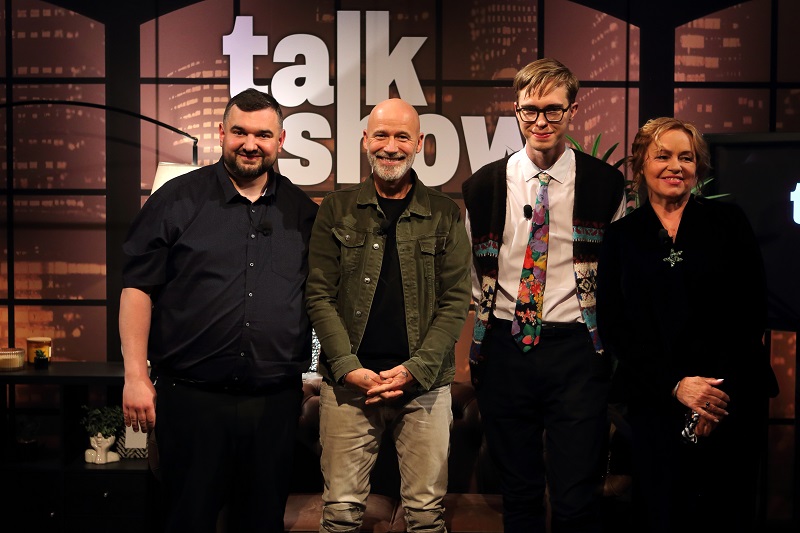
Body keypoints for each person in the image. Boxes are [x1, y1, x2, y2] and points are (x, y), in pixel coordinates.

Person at [119, 88, 318, 533]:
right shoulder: (176, 199)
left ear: (281, 140)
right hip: (190, 402)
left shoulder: (303, 213)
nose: (250, 144)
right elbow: (137, 288)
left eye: (263, 135)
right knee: (186, 521)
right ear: (221, 133)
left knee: (261, 523)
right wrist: (135, 376)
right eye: (240, 132)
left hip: (273, 406)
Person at [462, 58, 626, 533]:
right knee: (519, 497)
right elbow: (475, 272)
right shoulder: (483, 185)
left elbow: (615, 270)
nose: (540, 121)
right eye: (530, 110)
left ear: (572, 110)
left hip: (577, 351)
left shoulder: (604, 183)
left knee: (576, 501)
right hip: (506, 349)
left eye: (553, 110)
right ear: (516, 111)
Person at [596, 117, 778, 532]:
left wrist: (712, 395)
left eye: (687, 157)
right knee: (662, 515)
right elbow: (615, 324)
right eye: (663, 156)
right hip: (655, 401)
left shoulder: (729, 221)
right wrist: (677, 385)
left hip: (731, 399)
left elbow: (751, 311)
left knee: (726, 516)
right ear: (641, 164)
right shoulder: (622, 236)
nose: (675, 166)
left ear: (699, 167)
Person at [306, 98, 472, 533]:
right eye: (381, 135)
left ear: (419, 143)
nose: (391, 146)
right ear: (365, 140)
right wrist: (348, 368)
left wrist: (415, 369)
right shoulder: (335, 209)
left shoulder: (445, 213)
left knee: (426, 516)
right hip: (348, 387)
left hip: (424, 387)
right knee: (339, 514)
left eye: (402, 136)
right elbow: (319, 295)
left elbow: (456, 301)